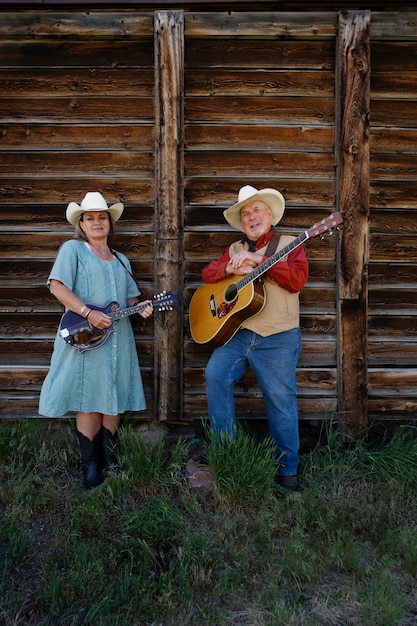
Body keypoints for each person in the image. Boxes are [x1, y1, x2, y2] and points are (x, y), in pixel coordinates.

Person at [39, 191, 153, 489]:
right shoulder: (73, 250)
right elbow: (56, 286)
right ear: (82, 224)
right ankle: (91, 466)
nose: (97, 222)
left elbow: (128, 298)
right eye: (90, 218)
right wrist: (88, 313)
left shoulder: (121, 259)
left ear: (109, 223)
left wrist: (143, 306)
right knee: (87, 398)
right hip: (85, 336)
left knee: (113, 397)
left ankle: (109, 460)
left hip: (117, 338)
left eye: (102, 217)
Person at [202, 185, 309, 491]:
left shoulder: (290, 243)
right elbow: (208, 274)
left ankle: (287, 469)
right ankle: (225, 453)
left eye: (257, 210)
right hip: (238, 332)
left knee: (280, 399)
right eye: (246, 213)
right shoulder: (234, 248)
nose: (251, 217)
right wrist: (228, 267)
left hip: (278, 335)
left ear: (269, 214)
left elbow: (297, 280)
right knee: (215, 375)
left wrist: (261, 263)